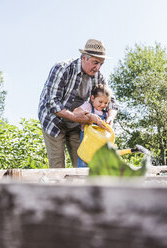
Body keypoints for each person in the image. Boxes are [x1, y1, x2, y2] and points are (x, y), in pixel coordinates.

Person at [38, 39, 118, 168]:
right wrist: (75, 117)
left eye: (101, 64)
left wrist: (110, 118)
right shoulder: (62, 68)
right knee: (58, 167)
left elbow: (112, 102)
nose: (97, 68)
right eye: (95, 62)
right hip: (54, 121)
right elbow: (51, 102)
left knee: (83, 164)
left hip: (78, 124)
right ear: (84, 58)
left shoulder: (99, 77)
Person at [75, 83, 112, 167]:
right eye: (100, 102)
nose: (103, 105)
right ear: (92, 98)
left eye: (106, 103)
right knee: (84, 166)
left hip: (100, 146)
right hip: (87, 145)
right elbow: (76, 112)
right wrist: (90, 116)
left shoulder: (105, 113)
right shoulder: (88, 107)